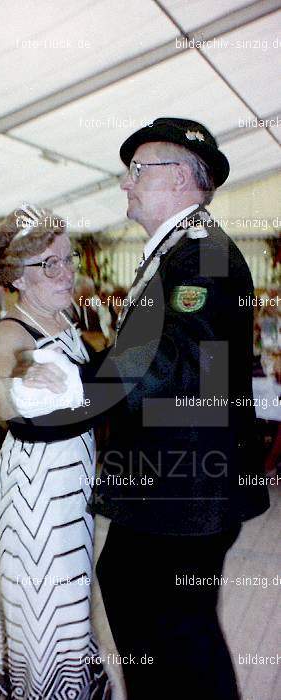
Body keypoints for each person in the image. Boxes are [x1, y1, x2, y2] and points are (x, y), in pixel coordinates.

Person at [81, 118, 270, 699]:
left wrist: (74, 388)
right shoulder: (181, 252)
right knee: (170, 627)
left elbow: (175, 363)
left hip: (182, 485)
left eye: (138, 171)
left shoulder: (201, 256)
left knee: (170, 632)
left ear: (184, 178)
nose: (125, 184)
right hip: (181, 479)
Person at [0, 204, 111, 699]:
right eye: (48, 265)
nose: (66, 272)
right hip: (36, 487)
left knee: (70, 599)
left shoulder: (63, 315)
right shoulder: (12, 330)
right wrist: (19, 382)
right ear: (16, 276)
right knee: (46, 605)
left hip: (70, 480)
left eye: (68, 258)